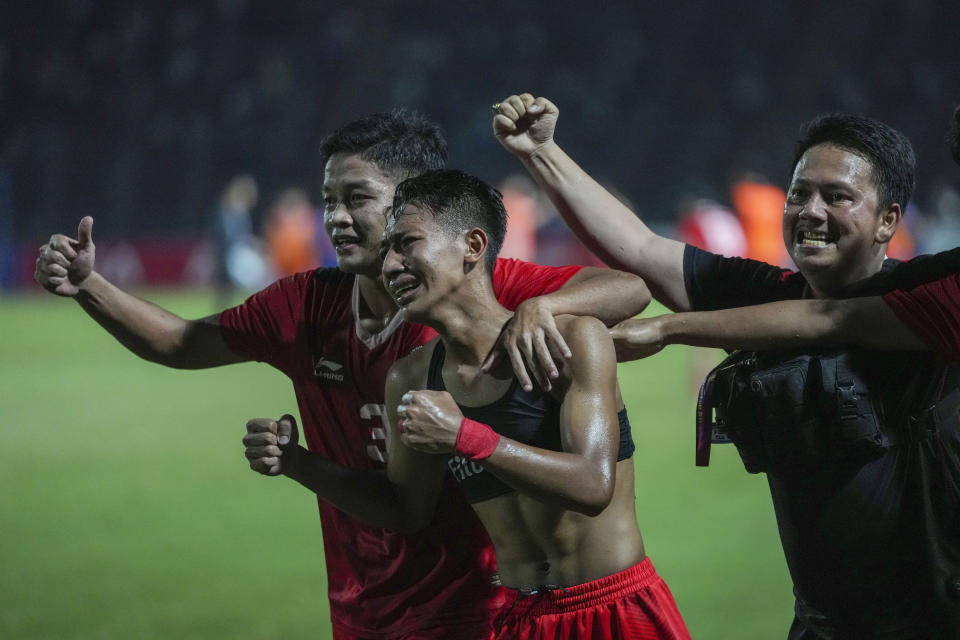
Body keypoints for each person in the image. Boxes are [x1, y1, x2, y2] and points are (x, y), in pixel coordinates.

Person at [34, 110, 650, 640]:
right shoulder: (304, 306)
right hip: (360, 607)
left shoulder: (477, 290)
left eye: (357, 198)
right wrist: (90, 286)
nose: (334, 218)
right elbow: (180, 342)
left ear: (415, 203)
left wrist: (544, 308)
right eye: (328, 200)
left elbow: (627, 286)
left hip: (476, 606)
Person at [493, 93, 960, 638]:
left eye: (837, 197)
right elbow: (640, 247)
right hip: (819, 626)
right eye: (799, 194)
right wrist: (542, 152)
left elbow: (835, 320)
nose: (810, 211)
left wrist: (669, 328)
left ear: (888, 222)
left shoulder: (933, 297)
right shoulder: (764, 292)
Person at [373, 169, 689, 639]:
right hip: (521, 621)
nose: (390, 265)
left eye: (406, 243)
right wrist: (299, 462)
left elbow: (592, 484)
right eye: (386, 251)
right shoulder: (410, 378)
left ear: (474, 246)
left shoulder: (574, 339)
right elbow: (407, 512)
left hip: (615, 609)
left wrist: (465, 436)